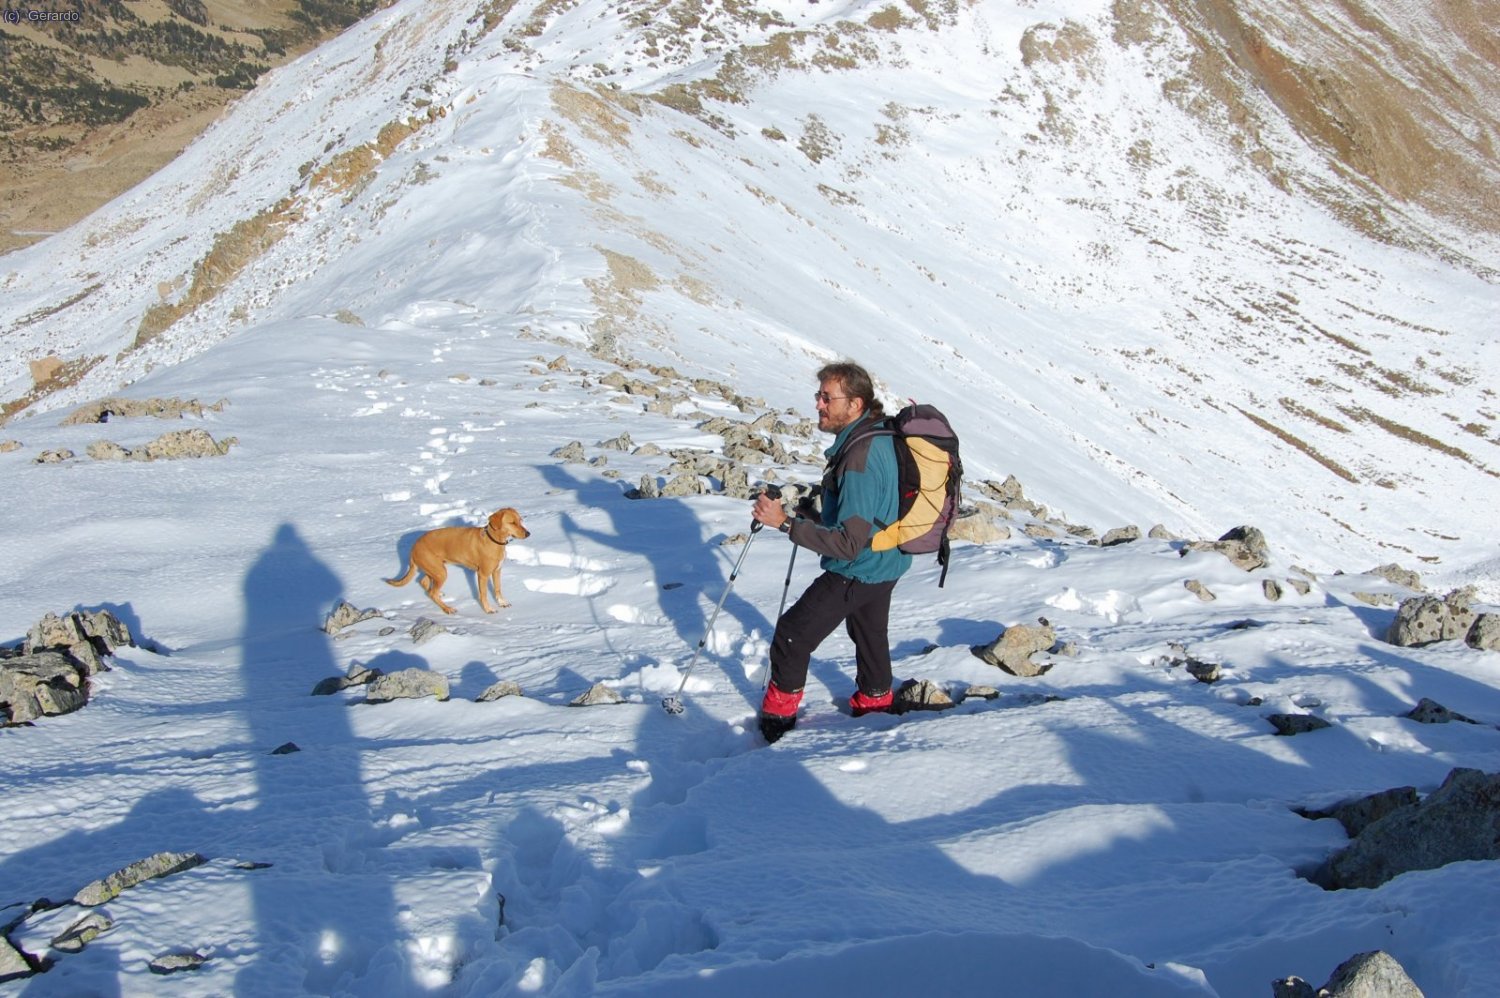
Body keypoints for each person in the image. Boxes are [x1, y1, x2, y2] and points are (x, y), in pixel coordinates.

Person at [750, 361, 912, 743]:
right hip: (888, 559)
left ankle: (777, 723)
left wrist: (785, 524)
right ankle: (875, 705)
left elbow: (848, 543)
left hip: (859, 566)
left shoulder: (858, 457)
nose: (819, 404)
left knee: (792, 636)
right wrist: (806, 512)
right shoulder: (876, 434)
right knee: (869, 633)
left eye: (827, 397)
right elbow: (866, 510)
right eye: (818, 395)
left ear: (854, 404)